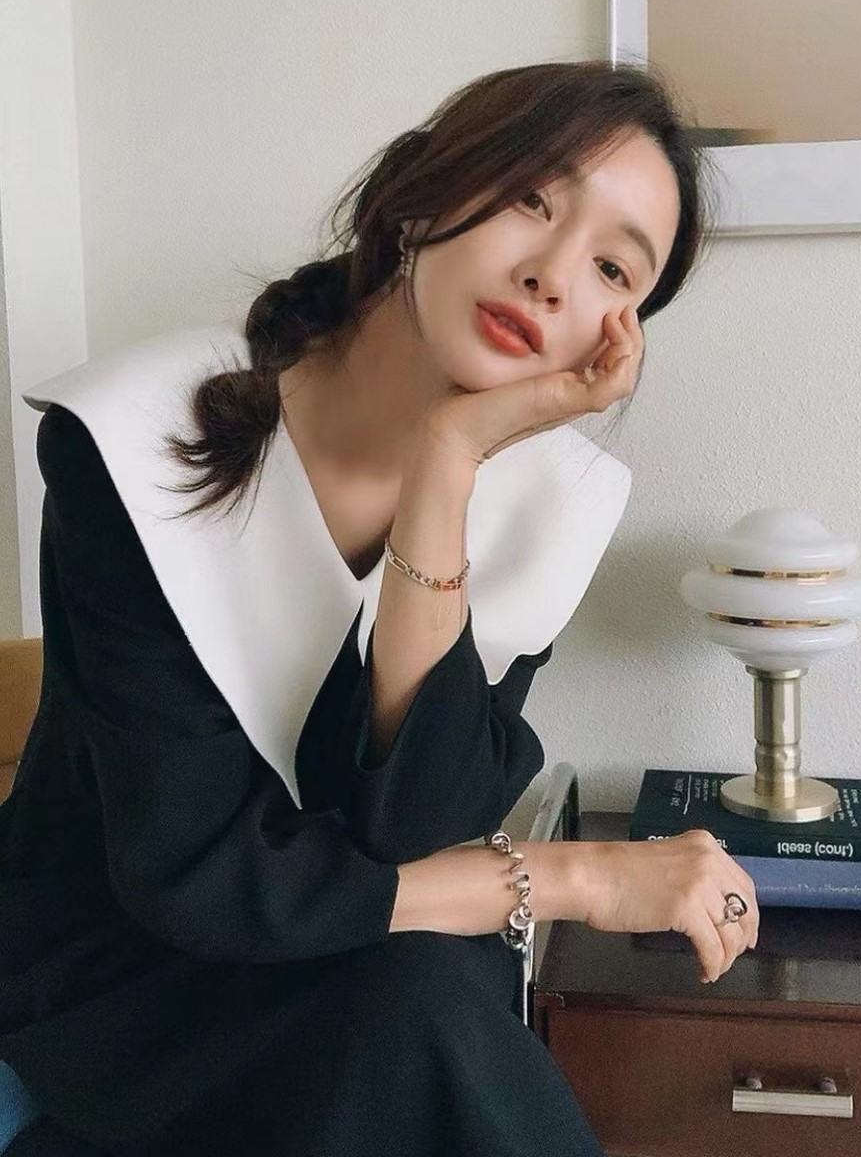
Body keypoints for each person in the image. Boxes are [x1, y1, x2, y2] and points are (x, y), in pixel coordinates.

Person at [0, 60, 759, 1157]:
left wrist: (447, 465)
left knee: (419, 999)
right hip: (118, 988)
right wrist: (578, 876)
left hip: (354, 978)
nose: (551, 275)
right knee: (418, 1008)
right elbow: (198, 878)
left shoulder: (551, 504)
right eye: (530, 198)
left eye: (610, 266)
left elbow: (412, 826)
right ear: (421, 195)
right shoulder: (135, 441)